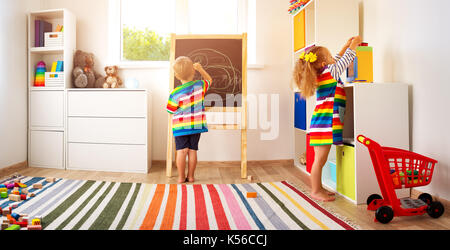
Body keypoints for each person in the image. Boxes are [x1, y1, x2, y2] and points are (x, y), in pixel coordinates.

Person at [293, 36, 362, 201]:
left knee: (319, 159)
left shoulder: (323, 74)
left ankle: (318, 188)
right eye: (330, 57)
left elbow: (337, 60)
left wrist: (344, 46)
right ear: (324, 64)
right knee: (319, 161)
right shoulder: (330, 72)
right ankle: (315, 191)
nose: (334, 59)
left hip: (320, 123)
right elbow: (343, 62)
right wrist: (353, 46)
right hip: (325, 125)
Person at [167, 56, 213, 183]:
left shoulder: (175, 93)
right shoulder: (200, 86)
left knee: (181, 151)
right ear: (193, 72)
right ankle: (191, 176)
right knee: (193, 150)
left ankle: (181, 177)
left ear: (176, 76)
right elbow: (209, 80)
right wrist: (200, 69)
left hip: (181, 126)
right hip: (196, 125)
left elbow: (170, 110)